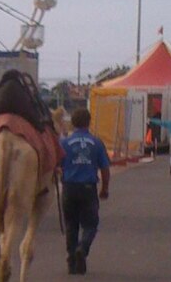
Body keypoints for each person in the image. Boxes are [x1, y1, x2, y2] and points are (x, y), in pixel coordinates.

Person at [60, 108, 111, 275]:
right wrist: (104, 189)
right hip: (88, 189)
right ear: (89, 122)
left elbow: (56, 166)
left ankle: (71, 262)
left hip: (69, 188)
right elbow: (104, 169)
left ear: (72, 123)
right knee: (90, 225)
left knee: (71, 225)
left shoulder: (64, 143)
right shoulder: (96, 142)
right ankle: (82, 248)